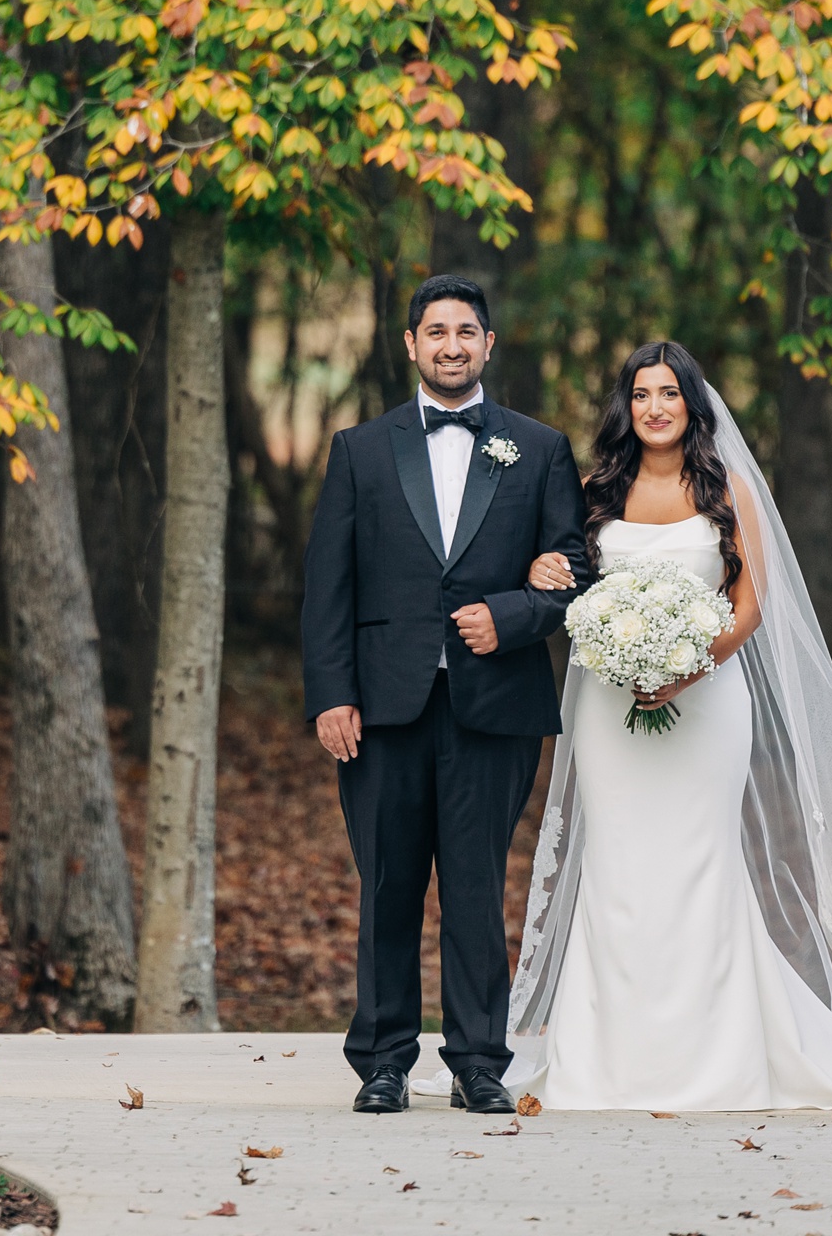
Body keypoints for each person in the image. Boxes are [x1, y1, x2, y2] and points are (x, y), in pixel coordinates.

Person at [489, 339, 832, 1110]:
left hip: (706, 701)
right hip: (609, 705)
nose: (654, 407)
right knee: (618, 869)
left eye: (668, 393)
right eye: (640, 395)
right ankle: (605, 1063)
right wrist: (544, 576)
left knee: (699, 864)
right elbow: (561, 573)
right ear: (624, 408)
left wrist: (686, 669)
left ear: (692, 405)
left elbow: (751, 601)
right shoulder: (596, 489)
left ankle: (715, 1059)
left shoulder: (728, 488)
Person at [298, 274, 587, 1116]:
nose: (452, 346)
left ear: (489, 346)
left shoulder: (539, 449)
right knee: (387, 884)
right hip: (381, 709)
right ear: (412, 345)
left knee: (474, 886)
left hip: (493, 708)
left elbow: (573, 577)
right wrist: (330, 696)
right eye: (436, 333)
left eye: (467, 332)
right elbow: (329, 589)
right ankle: (384, 1061)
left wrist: (511, 614)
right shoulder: (359, 449)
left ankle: (478, 1062)